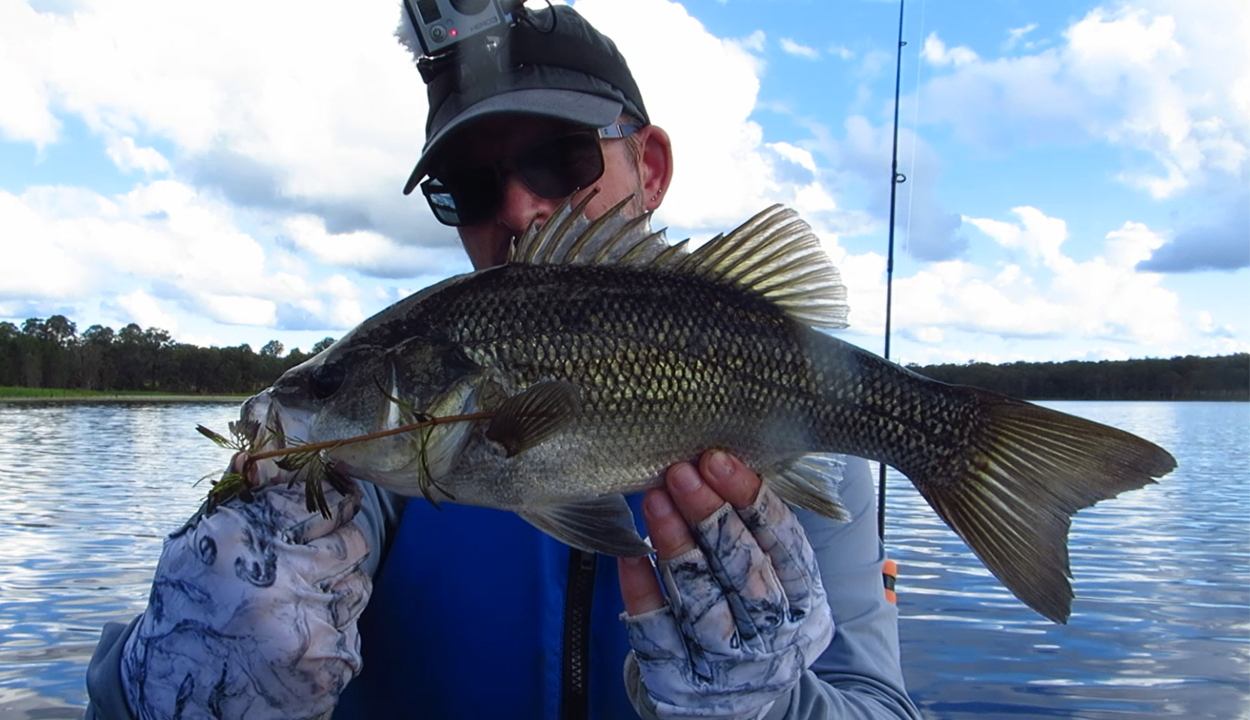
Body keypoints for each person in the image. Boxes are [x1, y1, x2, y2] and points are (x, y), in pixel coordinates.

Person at [84, 5, 921, 719]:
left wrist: (780, 708)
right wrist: (171, 669)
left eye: (561, 158)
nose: (520, 207)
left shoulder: (808, 435)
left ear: (651, 165)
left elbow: (879, 702)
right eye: (468, 186)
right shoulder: (358, 464)